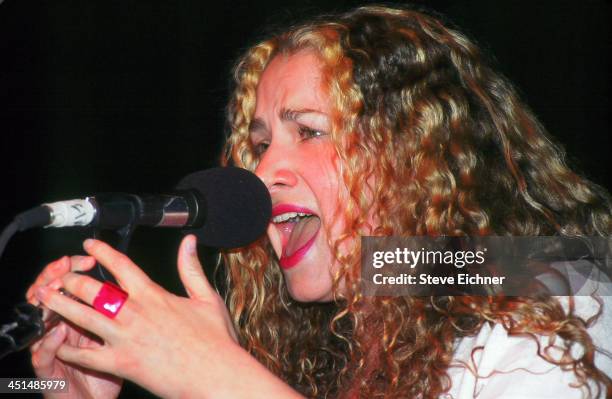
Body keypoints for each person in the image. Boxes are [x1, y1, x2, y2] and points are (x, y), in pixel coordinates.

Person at [26, 5, 612, 399]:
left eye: (308, 131)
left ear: (416, 152)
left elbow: (558, 267)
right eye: (258, 145)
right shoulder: (345, 334)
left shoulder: (562, 291)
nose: (263, 172)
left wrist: (223, 380)